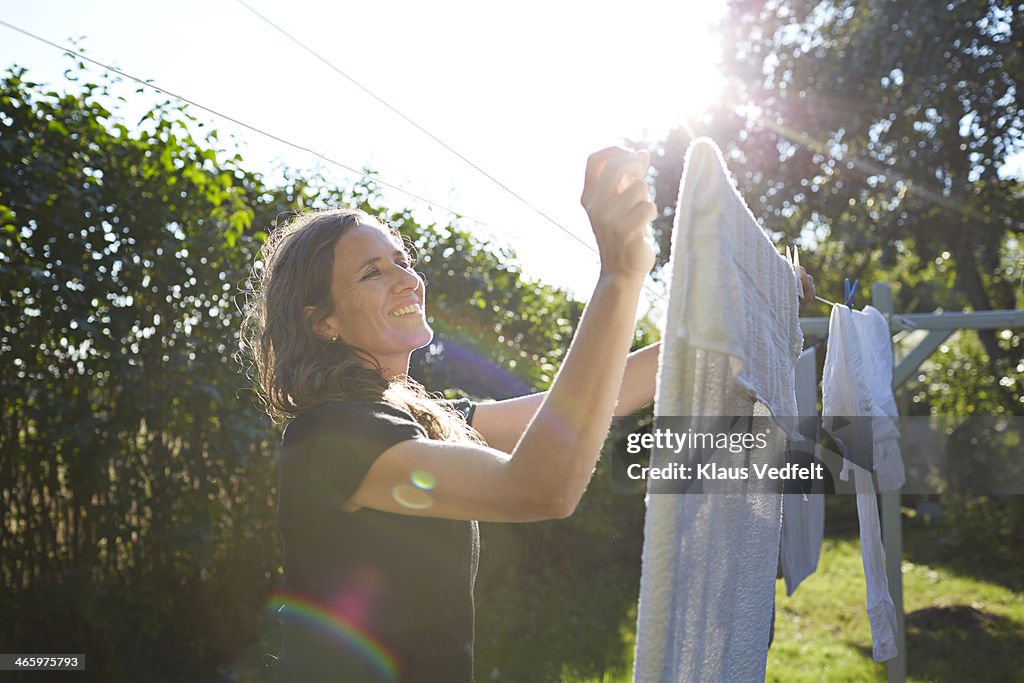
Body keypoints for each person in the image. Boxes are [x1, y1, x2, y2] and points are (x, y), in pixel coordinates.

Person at [241, 148, 815, 682]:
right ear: (322, 322)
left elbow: (582, 407)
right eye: (373, 272)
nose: (407, 278)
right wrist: (619, 275)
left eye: (402, 260)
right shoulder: (330, 436)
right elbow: (540, 488)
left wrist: (740, 324)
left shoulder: (415, 415)